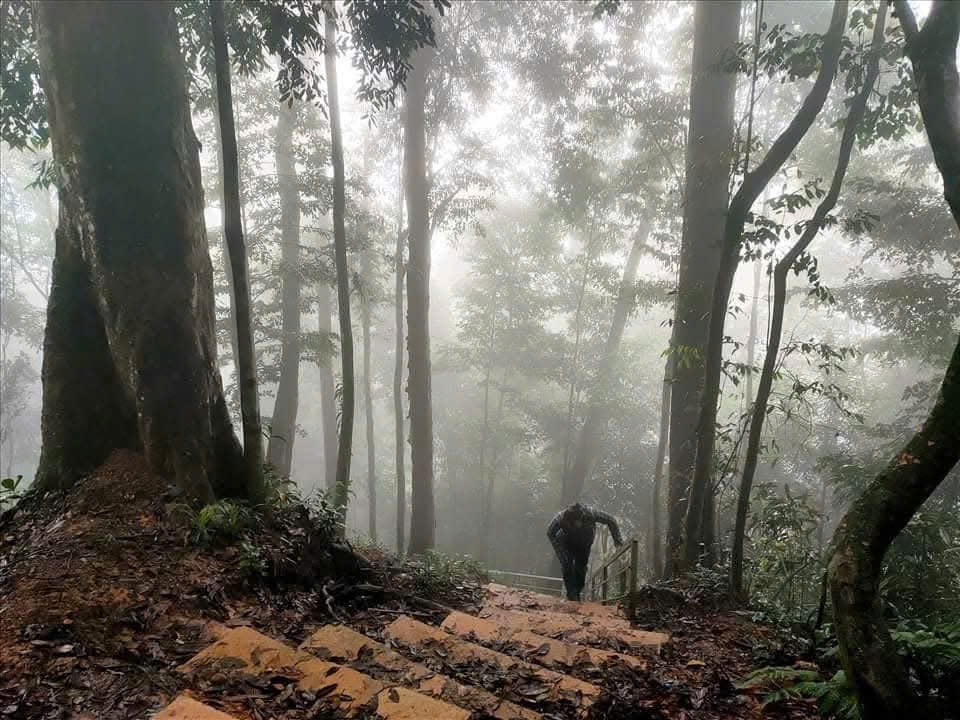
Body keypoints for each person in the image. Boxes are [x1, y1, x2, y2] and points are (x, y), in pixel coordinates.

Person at [547, 502, 623, 601]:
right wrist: (560, 552)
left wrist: (618, 542)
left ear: (581, 518)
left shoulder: (591, 513)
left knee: (581, 568)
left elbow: (611, 520)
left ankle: (577, 592)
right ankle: (571, 595)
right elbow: (550, 532)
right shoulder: (560, 518)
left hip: (584, 543)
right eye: (572, 523)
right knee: (566, 565)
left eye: (576, 522)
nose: (575, 525)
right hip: (566, 542)